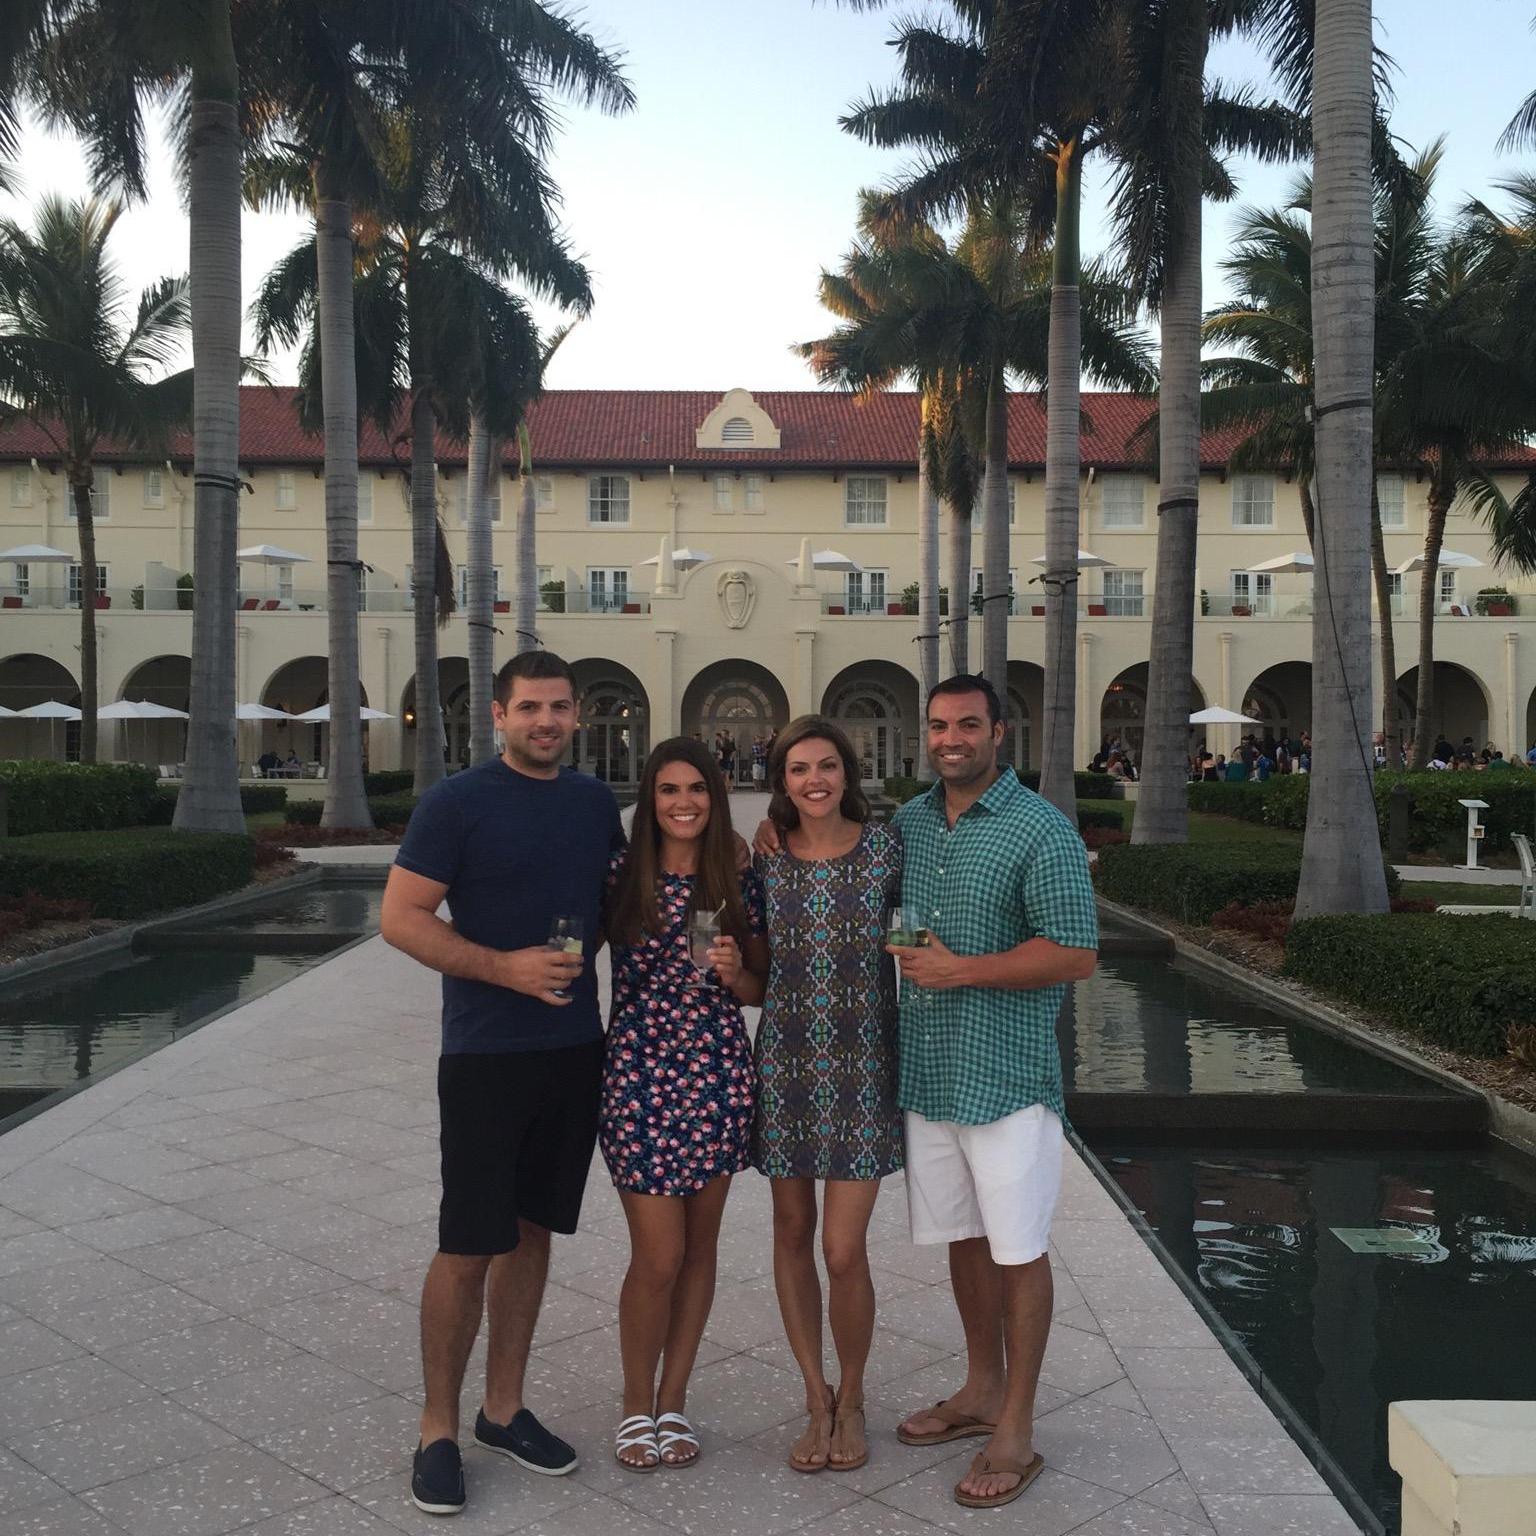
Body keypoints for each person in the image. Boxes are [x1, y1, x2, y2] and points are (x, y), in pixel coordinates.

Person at [381, 651, 622, 1518]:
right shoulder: (456, 804)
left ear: (575, 716)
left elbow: (619, 900)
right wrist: (501, 968)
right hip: (483, 1055)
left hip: (573, 1049)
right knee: (468, 1242)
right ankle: (436, 1427)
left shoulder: (597, 805)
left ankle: (503, 1408)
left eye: (559, 708)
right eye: (531, 708)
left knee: (533, 1233)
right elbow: (399, 917)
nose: (547, 721)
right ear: (500, 715)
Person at [882, 676, 1097, 1510]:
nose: (949, 738)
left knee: (1018, 1251)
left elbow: (1076, 953)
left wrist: (962, 969)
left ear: (998, 733)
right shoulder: (910, 821)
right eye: (938, 725)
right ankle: (978, 1389)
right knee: (965, 1240)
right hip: (929, 1074)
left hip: (1006, 1077)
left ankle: (1016, 1425)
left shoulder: (1040, 829)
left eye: (967, 725)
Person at [601, 737, 768, 1472]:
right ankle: (635, 1405)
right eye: (669, 790)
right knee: (658, 1255)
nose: (683, 803)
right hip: (638, 1075)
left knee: (700, 1251)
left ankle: (673, 1402)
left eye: (696, 789)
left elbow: (760, 989)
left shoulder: (733, 875)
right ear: (650, 798)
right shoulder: (619, 874)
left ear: (715, 794)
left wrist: (735, 973)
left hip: (717, 1072)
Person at [753, 717, 903, 1475]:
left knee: (843, 1250)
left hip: (865, 1067)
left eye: (827, 766)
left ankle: (855, 1394)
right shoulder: (766, 863)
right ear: (782, 782)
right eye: (798, 770)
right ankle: (816, 1396)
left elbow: (925, 926)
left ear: (848, 772)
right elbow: (747, 962)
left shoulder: (887, 851)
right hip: (784, 1065)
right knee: (790, 1230)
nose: (814, 780)